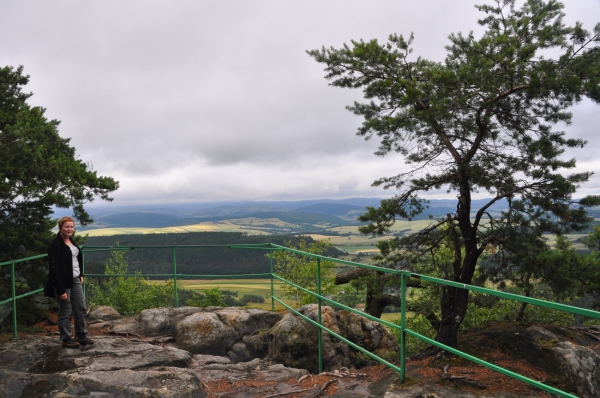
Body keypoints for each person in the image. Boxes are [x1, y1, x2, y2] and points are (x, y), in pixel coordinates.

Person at [48, 216, 94, 348]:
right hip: (63, 282)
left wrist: (81, 274)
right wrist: (60, 289)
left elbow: (76, 260)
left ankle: (80, 334)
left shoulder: (71, 242)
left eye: (71, 227)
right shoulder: (55, 246)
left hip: (75, 279)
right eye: (66, 227)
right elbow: (53, 270)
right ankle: (66, 338)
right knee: (65, 310)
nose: (69, 229)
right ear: (60, 228)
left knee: (81, 307)